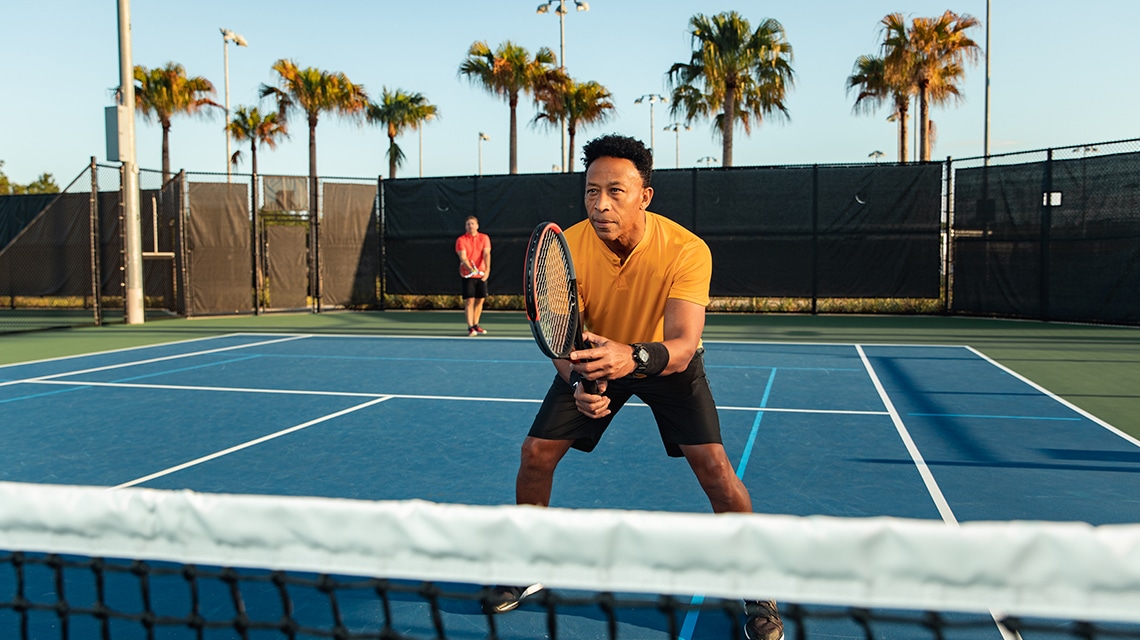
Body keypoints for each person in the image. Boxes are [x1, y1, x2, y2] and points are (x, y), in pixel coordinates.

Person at [484, 135, 783, 640]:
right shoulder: (568, 247)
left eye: (616, 191)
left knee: (715, 470)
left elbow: (684, 344)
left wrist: (633, 357)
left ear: (644, 195)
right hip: (597, 354)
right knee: (535, 453)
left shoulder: (687, 249)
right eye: (591, 191)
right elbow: (561, 337)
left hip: (664, 361)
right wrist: (578, 381)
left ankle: (758, 585)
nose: (601, 204)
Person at [455, 215, 491, 336]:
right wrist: (471, 269)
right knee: (469, 301)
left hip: (481, 274)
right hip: (468, 275)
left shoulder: (484, 238)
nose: (470, 226)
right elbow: (463, 257)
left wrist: (487, 270)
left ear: (477, 225)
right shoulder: (461, 240)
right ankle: (470, 327)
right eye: (468, 224)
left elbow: (486, 254)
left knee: (480, 300)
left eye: (472, 224)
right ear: (465, 226)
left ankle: (476, 324)